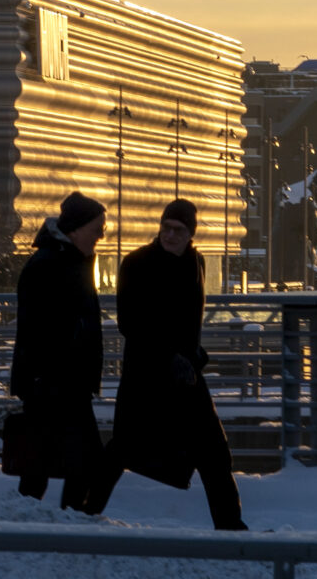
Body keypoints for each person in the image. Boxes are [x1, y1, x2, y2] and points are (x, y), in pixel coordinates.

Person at [75, 198, 247, 531]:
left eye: (177, 230)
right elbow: (130, 322)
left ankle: (230, 526)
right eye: (165, 227)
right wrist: (172, 356)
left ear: (190, 234)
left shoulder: (196, 262)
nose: (169, 234)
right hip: (147, 374)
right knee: (123, 448)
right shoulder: (136, 263)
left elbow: (190, 324)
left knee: (213, 452)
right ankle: (85, 512)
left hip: (184, 376)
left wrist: (193, 358)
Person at [7, 191, 106, 508]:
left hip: (58, 383)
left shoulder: (67, 260)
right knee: (83, 461)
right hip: (56, 384)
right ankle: (69, 524)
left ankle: (38, 525)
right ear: (76, 229)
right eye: (97, 228)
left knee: (41, 464)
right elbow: (42, 330)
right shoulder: (53, 264)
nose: (101, 235)